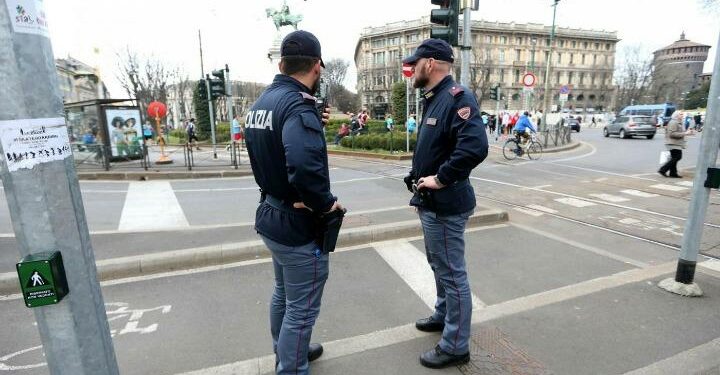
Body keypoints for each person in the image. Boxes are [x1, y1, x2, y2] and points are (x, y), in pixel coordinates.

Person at [244, 30, 342, 375]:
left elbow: (269, 153)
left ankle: (285, 351)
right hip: (298, 225)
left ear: (282, 64)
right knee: (301, 309)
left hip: (272, 214)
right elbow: (302, 165)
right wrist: (325, 205)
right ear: (316, 67)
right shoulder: (300, 106)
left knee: (284, 295)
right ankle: (291, 365)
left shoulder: (261, 103)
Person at [401, 38, 488, 369]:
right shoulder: (434, 98)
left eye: (415, 63)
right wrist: (417, 173)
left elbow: (474, 147)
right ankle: (442, 314)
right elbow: (437, 145)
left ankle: (455, 345)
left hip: (447, 202)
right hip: (431, 201)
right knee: (439, 265)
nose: (411, 69)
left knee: (452, 274)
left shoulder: (457, 97)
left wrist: (441, 178)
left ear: (430, 64)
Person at [658, 110, 686, 178]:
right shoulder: (673, 122)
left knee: (674, 158)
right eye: (680, 114)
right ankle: (663, 169)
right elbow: (672, 134)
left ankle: (673, 173)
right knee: (678, 157)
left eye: (682, 114)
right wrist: (685, 133)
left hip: (676, 143)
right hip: (672, 143)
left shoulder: (679, 122)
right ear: (676, 115)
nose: (682, 115)